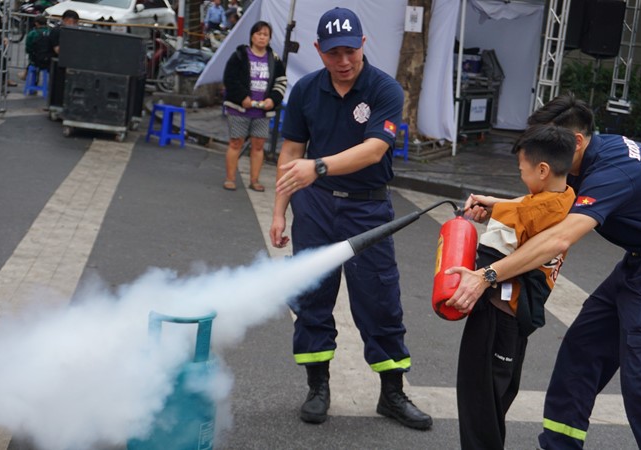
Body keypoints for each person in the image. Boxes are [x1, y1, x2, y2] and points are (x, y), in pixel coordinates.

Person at [445, 94, 641, 450]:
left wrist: (487, 275)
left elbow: (560, 236)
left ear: (576, 141)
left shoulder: (613, 170)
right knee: (579, 356)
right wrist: (500, 207)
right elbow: (552, 206)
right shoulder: (591, 158)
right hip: (640, 263)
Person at [269, 7, 432, 430]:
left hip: (367, 207)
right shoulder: (305, 90)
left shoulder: (385, 89)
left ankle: (392, 394)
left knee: (380, 300)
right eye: (333, 53)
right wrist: (278, 212)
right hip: (316, 207)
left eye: (350, 52)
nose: (343, 62)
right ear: (319, 50)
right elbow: (290, 153)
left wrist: (317, 166)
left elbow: (375, 149)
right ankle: (317, 388)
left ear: (363, 45)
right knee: (312, 299)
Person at [456, 124, 577, 450]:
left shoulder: (517, 215)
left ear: (542, 169)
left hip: (495, 315)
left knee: (478, 402)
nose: (520, 175)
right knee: (500, 394)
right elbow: (531, 205)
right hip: (519, 317)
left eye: (522, 170)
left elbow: (485, 262)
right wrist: (500, 205)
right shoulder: (568, 197)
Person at [222, 20, 286, 192]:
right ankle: (230, 179)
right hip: (239, 109)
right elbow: (230, 79)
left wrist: (272, 100)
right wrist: (243, 97)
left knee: (258, 146)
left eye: (265, 34)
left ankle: (254, 180)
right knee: (236, 143)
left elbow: (281, 82)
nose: (262, 37)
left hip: (262, 112)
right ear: (252, 36)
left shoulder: (275, 60)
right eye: (259, 33)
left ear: (270, 38)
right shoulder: (240, 55)